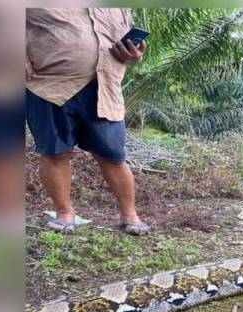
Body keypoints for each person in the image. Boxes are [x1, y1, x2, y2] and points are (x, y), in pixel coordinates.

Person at [25, 8, 150, 234]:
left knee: (113, 155)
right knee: (55, 152)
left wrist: (135, 54)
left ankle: (129, 214)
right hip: (49, 86)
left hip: (105, 88)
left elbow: (128, 42)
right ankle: (64, 213)